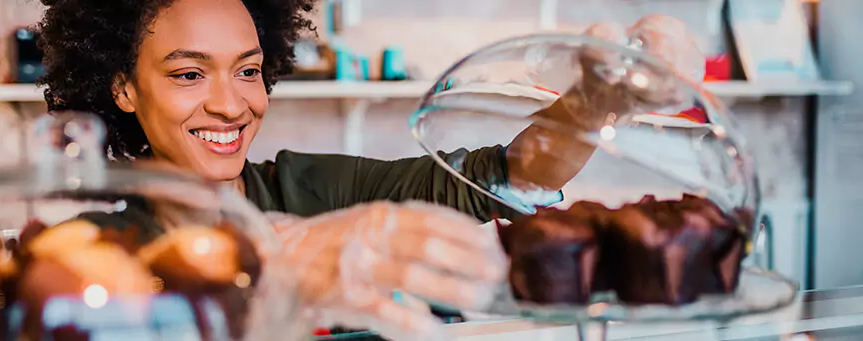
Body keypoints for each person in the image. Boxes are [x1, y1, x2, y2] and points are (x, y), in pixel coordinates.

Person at [36, 0, 704, 339]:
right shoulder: (93, 247)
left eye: (248, 70)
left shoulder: (314, 189)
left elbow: (502, 179)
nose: (230, 103)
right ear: (123, 87)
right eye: (188, 74)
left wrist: (600, 97)